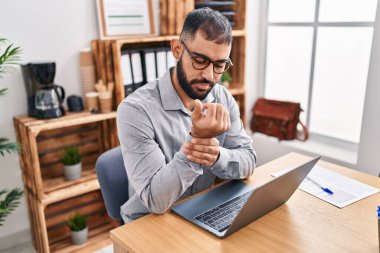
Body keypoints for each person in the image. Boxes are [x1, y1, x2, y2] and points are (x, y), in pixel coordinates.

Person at [117, 7, 256, 223]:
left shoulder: (223, 98)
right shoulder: (135, 110)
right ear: (177, 49)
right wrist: (199, 140)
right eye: (200, 61)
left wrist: (217, 155)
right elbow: (155, 201)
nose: (209, 76)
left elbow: (249, 161)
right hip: (148, 221)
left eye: (219, 65)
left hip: (199, 211)